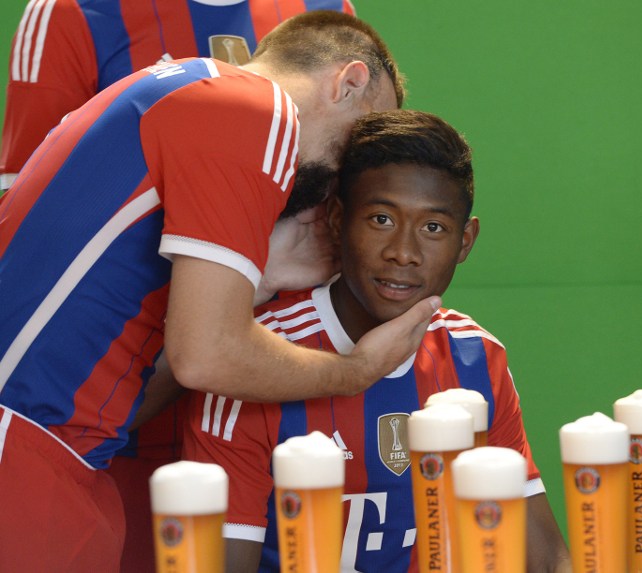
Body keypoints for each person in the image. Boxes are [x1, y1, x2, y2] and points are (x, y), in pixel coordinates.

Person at [0, 11, 440, 571]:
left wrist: (265, 280)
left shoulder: (187, 87)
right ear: (348, 82)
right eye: (359, 140)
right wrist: (359, 370)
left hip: (58, 452)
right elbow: (206, 357)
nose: (345, 176)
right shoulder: (254, 108)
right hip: (22, 455)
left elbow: (131, 382)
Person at [182, 109, 573, 572]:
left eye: (433, 228)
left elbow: (543, 559)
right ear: (336, 219)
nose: (403, 253)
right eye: (382, 219)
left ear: (465, 241)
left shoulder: (475, 357)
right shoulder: (257, 358)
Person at [0, 0, 356, 191]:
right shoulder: (68, 11)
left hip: (286, 298)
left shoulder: (328, 10)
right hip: (133, 302)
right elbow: (25, 195)